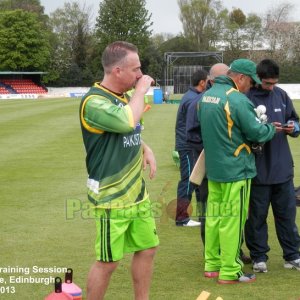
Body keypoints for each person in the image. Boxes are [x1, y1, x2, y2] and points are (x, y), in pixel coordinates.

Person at [79, 41, 159, 300]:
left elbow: (130, 128)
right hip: (111, 197)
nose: (140, 74)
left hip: (137, 192)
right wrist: (141, 90)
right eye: (136, 69)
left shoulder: (123, 97)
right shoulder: (94, 102)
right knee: (108, 261)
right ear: (117, 71)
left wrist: (145, 148)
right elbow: (126, 121)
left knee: (147, 248)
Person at [198, 58, 276, 284]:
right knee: (233, 219)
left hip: (214, 170)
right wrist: (270, 128)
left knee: (213, 217)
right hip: (236, 169)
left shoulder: (206, 96)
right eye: (251, 82)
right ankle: (230, 270)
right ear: (240, 77)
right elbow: (258, 133)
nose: (251, 86)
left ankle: (212, 264)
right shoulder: (237, 100)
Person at [244, 59, 300, 273]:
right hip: (257, 170)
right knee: (257, 218)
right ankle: (259, 258)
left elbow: (295, 121)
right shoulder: (246, 98)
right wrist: (265, 129)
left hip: (282, 169)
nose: (271, 87)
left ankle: (293, 255)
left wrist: (293, 127)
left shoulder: (281, 95)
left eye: (274, 83)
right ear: (258, 78)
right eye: (267, 83)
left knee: (287, 215)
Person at [174, 69, 208, 227]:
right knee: (188, 180)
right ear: (202, 82)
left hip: (189, 145)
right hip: (187, 146)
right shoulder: (192, 99)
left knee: (194, 180)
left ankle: (194, 216)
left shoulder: (192, 96)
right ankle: (182, 218)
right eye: (207, 80)